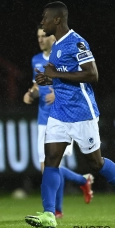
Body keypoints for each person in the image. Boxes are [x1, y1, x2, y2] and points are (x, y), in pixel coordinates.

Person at [24, 1, 115, 228]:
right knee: (51, 162)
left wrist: (55, 74)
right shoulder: (55, 47)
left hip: (81, 112)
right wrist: (49, 80)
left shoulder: (77, 42)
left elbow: (92, 74)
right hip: (58, 114)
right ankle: (49, 213)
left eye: (45, 18)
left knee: (95, 162)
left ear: (57, 20)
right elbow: (59, 76)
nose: (42, 22)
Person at [23, 26, 94, 218]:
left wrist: (58, 93)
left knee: (51, 165)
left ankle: (57, 210)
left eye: (43, 36)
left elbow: (79, 80)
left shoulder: (62, 55)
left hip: (63, 116)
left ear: (52, 38)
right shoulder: (36, 60)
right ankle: (82, 181)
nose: (40, 40)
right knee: (48, 167)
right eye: (37, 36)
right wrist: (31, 94)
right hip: (43, 118)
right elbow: (37, 85)